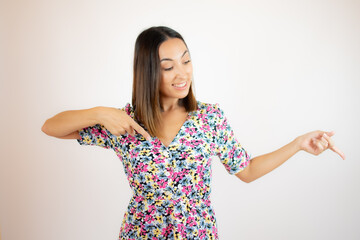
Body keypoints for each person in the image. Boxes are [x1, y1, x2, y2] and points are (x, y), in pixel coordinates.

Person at [41, 26, 346, 240]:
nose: (182, 73)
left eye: (186, 61)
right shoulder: (124, 123)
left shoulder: (209, 118)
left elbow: (247, 170)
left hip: (197, 234)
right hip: (140, 234)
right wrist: (99, 113)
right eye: (169, 66)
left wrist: (297, 145)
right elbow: (51, 127)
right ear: (147, 70)